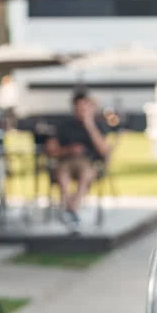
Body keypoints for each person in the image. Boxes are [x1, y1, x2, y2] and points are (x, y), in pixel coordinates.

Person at [46, 89, 111, 230]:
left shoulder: (97, 125)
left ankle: (72, 208)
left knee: (86, 174)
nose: (82, 110)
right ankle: (69, 207)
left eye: (85, 107)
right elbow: (51, 149)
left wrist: (89, 124)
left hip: (87, 162)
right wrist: (70, 150)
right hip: (66, 161)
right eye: (79, 107)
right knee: (62, 174)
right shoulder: (65, 126)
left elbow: (104, 151)